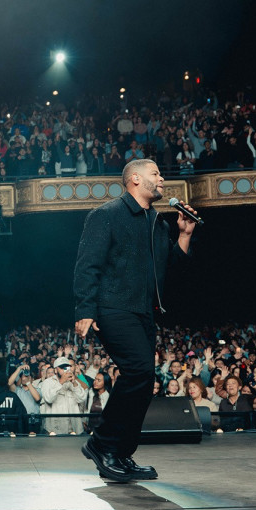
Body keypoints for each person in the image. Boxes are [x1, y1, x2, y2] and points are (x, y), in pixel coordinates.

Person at [74, 158, 198, 482]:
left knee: (144, 383)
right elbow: (87, 265)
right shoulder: (106, 215)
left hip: (144, 312)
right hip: (112, 308)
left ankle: (121, 453)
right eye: (155, 173)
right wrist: (85, 309)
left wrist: (184, 235)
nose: (162, 178)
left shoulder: (157, 222)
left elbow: (172, 270)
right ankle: (101, 444)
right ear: (135, 180)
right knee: (139, 371)